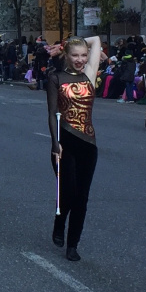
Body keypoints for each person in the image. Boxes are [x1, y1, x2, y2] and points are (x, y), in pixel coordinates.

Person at [47, 36, 102, 262]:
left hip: (88, 144)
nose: (80, 59)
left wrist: (68, 42)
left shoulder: (89, 74)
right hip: (64, 142)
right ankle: (59, 223)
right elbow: (51, 113)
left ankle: (73, 244)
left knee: (82, 197)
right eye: (75, 55)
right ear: (67, 56)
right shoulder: (56, 78)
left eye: (83, 55)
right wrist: (54, 143)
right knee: (68, 192)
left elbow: (97, 40)